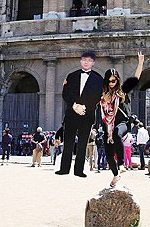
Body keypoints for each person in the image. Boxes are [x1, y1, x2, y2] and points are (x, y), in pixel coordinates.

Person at [95, 51, 144, 187]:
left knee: (117, 133)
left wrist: (140, 63)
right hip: (107, 127)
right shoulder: (103, 96)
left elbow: (135, 79)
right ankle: (116, 175)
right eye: (109, 81)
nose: (112, 83)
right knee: (109, 154)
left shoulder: (122, 91)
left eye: (114, 80)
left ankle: (121, 164)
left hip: (123, 123)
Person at [56, 51, 103, 177]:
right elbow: (65, 93)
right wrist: (74, 105)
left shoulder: (99, 79)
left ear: (93, 62)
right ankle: (64, 169)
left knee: (82, 144)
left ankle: (79, 171)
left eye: (89, 60)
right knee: (68, 143)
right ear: (80, 61)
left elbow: (98, 97)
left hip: (87, 115)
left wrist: (84, 107)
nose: (86, 62)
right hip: (71, 114)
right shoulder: (71, 76)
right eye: (84, 59)